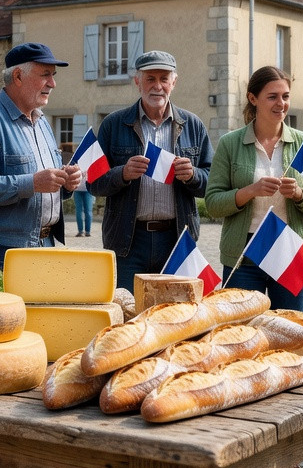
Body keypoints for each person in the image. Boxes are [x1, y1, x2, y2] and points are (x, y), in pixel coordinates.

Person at [204, 65, 303, 468]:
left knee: (292, 350)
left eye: (286, 96)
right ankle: (245, 445)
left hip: (290, 253)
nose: (282, 104)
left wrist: (301, 195)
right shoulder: (229, 144)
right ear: (254, 99)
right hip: (245, 254)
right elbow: (212, 202)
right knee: (243, 350)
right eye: (273, 96)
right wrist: (249, 193)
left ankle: (290, 454)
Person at [90, 50, 212, 290]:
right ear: (137, 82)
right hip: (128, 240)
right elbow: (94, 183)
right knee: (128, 313)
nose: (158, 86)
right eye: (150, 79)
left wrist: (193, 176)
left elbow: (211, 183)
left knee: (176, 316)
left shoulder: (193, 125)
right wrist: (122, 173)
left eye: (164, 79)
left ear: (173, 82)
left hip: (175, 240)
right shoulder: (113, 124)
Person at [0, 42, 80, 269]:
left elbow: (43, 186)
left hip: (45, 245)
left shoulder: (42, 121)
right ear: (17, 76)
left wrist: (66, 183)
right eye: (45, 75)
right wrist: (32, 182)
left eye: (53, 76)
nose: (52, 84)